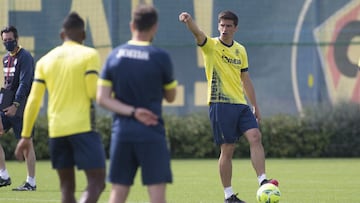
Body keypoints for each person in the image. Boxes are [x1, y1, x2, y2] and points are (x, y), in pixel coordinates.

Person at [179, 11, 278, 203]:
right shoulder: (211, 46)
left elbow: (246, 79)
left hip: (240, 104)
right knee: (228, 149)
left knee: (256, 136)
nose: (224, 29)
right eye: (222, 25)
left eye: (228, 26)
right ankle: (228, 196)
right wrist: (189, 21)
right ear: (218, 26)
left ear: (236, 28)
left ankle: (263, 181)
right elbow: (198, 34)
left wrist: (255, 105)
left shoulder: (241, 50)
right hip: (220, 104)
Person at [14, 12, 106, 203]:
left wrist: (25, 136)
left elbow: (33, 101)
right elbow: (92, 92)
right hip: (84, 129)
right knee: (97, 181)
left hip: (57, 131)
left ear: (62, 35)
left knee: (66, 189)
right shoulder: (89, 55)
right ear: (84, 35)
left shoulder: (45, 61)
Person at [97, 4, 177, 203]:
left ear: (132, 25)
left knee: (117, 193)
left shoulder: (114, 55)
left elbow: (102, 98)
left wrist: (133, 111)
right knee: (157, 193)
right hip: (151, 131)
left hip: (122, 132)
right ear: (155, 27)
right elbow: (171, 96)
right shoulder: (160, 57)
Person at [0, 25, 37, 191]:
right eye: (5, 40)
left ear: (17, 39)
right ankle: (3, 175)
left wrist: (16, 104)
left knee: (26, 142)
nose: (8, 43)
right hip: (7, 104)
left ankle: (31, 182)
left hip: (23, 105)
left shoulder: (25, 57)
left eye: (10, 40)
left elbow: (25, 83)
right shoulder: (6, 59)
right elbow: (7, 86)